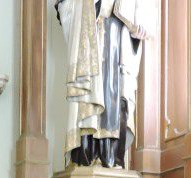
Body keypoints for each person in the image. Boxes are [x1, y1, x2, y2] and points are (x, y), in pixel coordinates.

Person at [56, 0, 150, 168]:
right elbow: (64, 5)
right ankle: (85, 155)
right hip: (90, 31)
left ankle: (110, 156)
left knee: (114, 95)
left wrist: (139, 22)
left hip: (116, 37)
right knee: (89, 94)